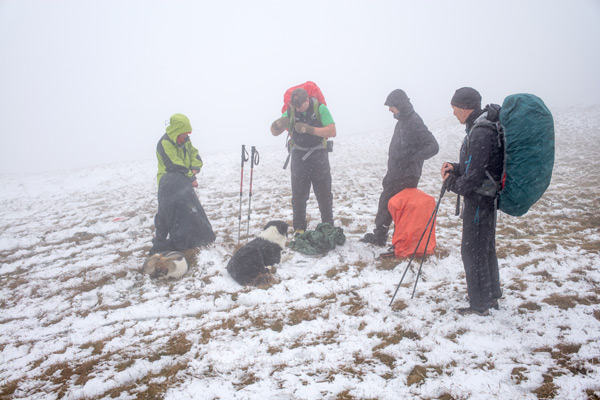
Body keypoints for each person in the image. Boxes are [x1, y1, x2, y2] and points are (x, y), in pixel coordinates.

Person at [441, 87, 504, 316]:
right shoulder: (483, 127)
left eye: (454, 107)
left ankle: (479, 304)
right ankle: (491, 294)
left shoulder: (480, 132)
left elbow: (473, 177)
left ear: (465, 107)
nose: (453, 112)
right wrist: (456, 168)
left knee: (473, 251)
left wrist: (452, 183)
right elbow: (477, 166)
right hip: (486, 199)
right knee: (484, 248)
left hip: (479, 201)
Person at [361, 89, 439, 246]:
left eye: (391, 106)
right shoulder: (402, 122)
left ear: (400, 105)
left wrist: (411, 159)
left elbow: (433, 146)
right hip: (395, 174)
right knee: (385, 204)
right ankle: (379, 236)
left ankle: (401, 243)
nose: (390, 109)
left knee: (401, 210)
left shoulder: (414, 121)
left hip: (407, 176)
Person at [270, 87, 336, 234]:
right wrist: (277, 125)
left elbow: (332, 131)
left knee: (324, 195)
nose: (298, 109)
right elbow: (274, 132)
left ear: (307, 100)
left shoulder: (320, 108)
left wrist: (310, 129)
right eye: (296, 107)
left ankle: (328, 228)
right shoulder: (291, 111)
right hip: (298, 157)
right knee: (298, 197)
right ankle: (299, 230)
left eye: (300, 106)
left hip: (319, 156)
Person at [149, 113, 216, 255]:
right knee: (165, 212)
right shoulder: (164, 143)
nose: (186, 137)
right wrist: (191, 177)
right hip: (168, 182)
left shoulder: (186, 141)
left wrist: (194, 168)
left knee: (191, 209)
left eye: (187, 134)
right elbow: (174, 164)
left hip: (183, 180)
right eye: (184, 134)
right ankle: (160, 242)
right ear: (176, 132)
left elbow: (195, 155)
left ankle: (195, 238)